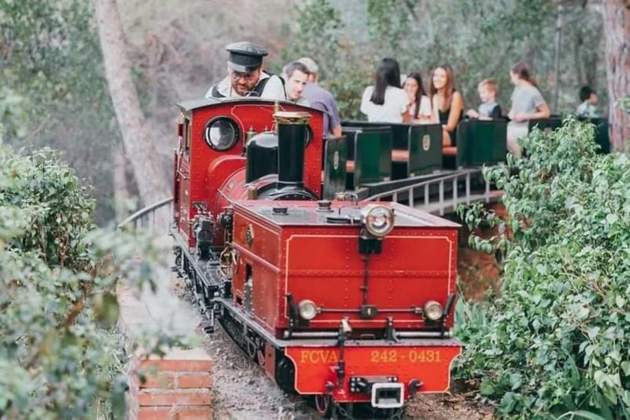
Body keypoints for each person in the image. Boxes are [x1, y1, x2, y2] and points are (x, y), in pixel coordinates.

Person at [205, 41, 286, 100]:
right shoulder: (215, 93)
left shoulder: (271, 84)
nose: (242, 81)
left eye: (248, 76)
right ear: (229, 69)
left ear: (260, 69)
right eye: (236, 74)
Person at [506, 62, 550, 157]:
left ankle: (517, 163)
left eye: (512, 76)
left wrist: (526, 116)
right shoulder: (516, 90)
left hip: (525, 128)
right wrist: (511, 114)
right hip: (513, 125)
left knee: (509, 136)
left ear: (517, 75)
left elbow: (546, 113)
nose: (511, 80)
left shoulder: (533, 92)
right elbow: (513, 109)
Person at [296, 57, 342, 138]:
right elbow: (337, 132)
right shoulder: (325, 95)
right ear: (313, 75)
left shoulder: (290, 93)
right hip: (320, 145)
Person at [360, 58, 409, 123]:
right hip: (395, 132)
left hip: (373, 131)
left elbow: (365, 111)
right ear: (396, 75)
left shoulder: (368, 91)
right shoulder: (401, 93)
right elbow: (406, 120)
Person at [429, 65, 464, 147]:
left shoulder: (455, 96)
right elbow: (434, 122)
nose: (437, 79)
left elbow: (450, 126)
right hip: (437, 131)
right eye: (435, 75)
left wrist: (435, 128)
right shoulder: (434, 97)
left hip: (452, 135)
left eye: (442, 76)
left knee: (434, 135)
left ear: (448, 79)